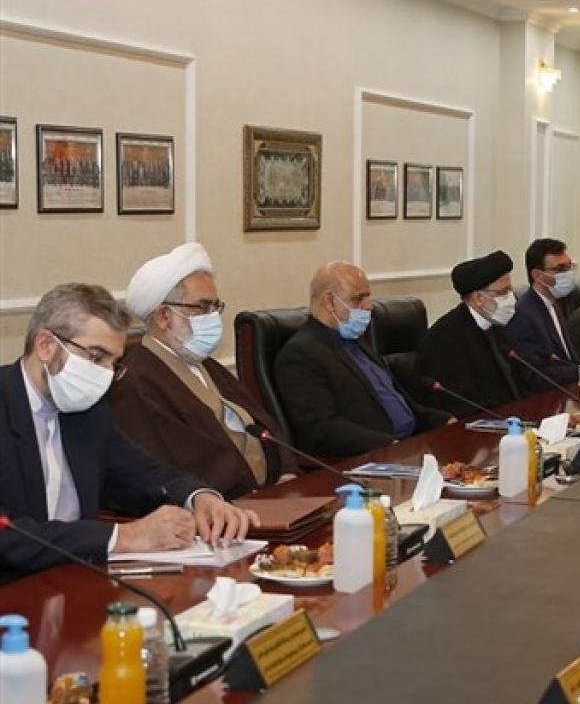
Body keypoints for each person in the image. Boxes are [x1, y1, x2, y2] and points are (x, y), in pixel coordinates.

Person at [0, 284, 257, 577]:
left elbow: (143, 473)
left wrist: (199, 497)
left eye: (113, 363)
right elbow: (7, 535)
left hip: (78, 578)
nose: (104, 375)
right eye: (95, 357)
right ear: (46, 345)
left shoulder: (87, 411)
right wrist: (123, 537)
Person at [110, 243, 298, 499]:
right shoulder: (138, 382)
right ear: (163, 315)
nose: (213, 317)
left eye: (215, 307)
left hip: (271, 495)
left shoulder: (205, 364)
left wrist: (286, 471)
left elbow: (263, 423)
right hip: (223, 507)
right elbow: (176, 468)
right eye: (202, 307)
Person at [275, 262, 450, 457]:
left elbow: (398, 401)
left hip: (410, 445)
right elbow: (321, 427)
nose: (369, 305)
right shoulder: (301, 354)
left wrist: (443, 420)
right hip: (369, 457)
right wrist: (389, 444)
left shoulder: (356, 340)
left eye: (368, 297)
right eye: (358, 298)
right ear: (329, 301)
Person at [505, 239, 580, 391]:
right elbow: (535, 376)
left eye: (569, 266)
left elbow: (567, 362)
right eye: (560, 268)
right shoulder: (523, 314)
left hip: (571, 391)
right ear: (538, 275)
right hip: (546, 398)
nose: (568, 273)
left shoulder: (556, 305)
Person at [417, 251, 522, 414]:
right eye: (503, 292)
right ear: (478, 298)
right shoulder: (446, 337)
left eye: (510, 290)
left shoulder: (497, 324)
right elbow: (458, 402)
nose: (511, 299)